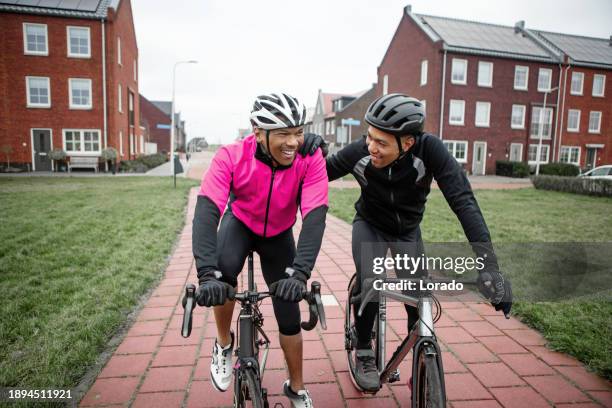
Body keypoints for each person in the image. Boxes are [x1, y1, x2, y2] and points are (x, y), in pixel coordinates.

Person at [300, 93, 512, 392]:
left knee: (419, 300)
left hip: (407, 232)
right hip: (370, 225)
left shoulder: (430, 151)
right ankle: (363, 349)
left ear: (408, 142)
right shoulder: (361, 151)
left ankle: (420, 365)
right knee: (372, 281)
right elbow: (317, 173)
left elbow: (464, 202)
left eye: (382, 142)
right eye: (369, 137)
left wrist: (490, 266)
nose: (371, 146)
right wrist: (309, 150)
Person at [193, 92, 328, 407]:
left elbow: (315, 217)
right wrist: (205, 273)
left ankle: (296, 387)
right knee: (222, 274)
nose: (293, 142)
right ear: (257, 132)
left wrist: (301, 272)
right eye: (283, 133)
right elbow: (206, 211)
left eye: (298, 131)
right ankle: (225, 344)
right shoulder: (230, 155)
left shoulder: (310, 159)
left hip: (279, 233)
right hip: (240, 223)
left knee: (289, 312)